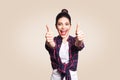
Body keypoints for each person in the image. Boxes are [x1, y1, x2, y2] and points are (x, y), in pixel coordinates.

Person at [45, 9, 85, 80]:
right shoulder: (53, 40)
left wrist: (79, 40)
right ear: (56, 26)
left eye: (66, 24)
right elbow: (52, 46)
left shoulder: (74, 40)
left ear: (70, 26)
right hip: (56, 77)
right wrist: (49, 42)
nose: (63, 27)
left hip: (72, 77)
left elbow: (78, 45)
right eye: (60, 24)